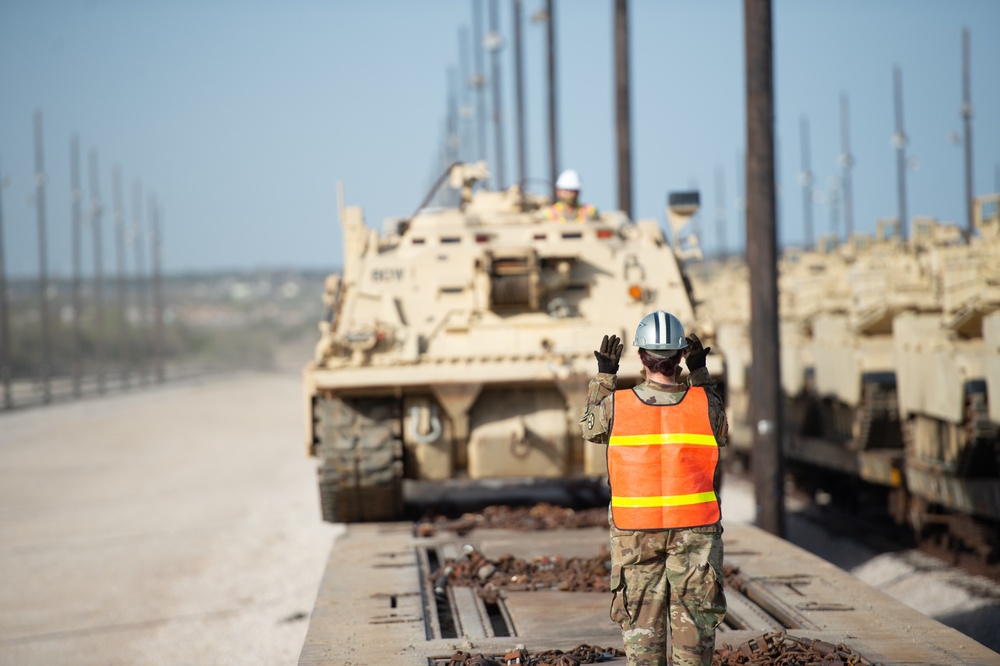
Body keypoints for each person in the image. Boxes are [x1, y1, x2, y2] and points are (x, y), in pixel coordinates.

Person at [579, 310, 728, 666]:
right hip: (695, 535)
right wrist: (700, 373)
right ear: (680, 357)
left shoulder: (616, 405)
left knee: (642, 642)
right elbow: (720, 429)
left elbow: (589, 427)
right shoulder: (704, 403)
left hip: (636, 536)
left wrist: (604, 376)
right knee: (694, 638)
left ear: (641, 356)